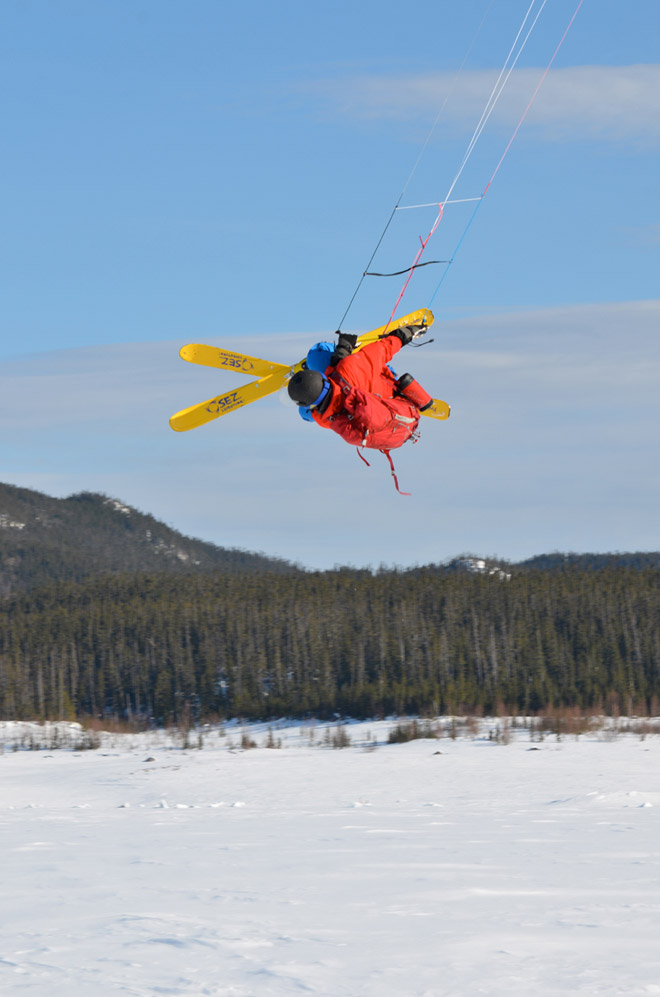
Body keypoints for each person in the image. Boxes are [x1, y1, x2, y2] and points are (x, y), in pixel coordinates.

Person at [287, 324, 433, 454]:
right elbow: (384, 349)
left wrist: (340, 357)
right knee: (317, 353)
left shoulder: (326, 419)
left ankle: (308, 389)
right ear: (323, 379)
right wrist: (406, 333)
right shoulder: (350, 368)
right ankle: (312, 366)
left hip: (395, 430)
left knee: (305, 414)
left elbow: (335, 396)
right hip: (392, 393)